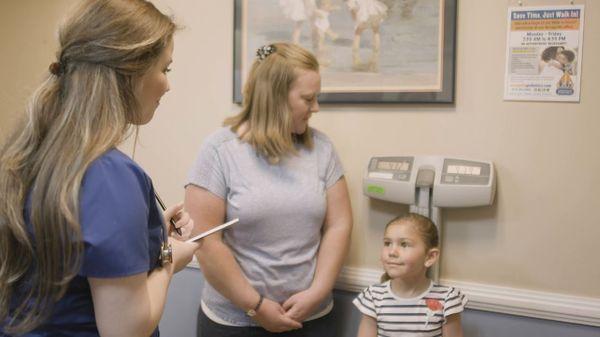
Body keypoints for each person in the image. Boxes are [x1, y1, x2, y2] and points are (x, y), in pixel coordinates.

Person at [0, 0, 200, 336]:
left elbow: (74, 253)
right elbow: (126, 329)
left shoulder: (28, 154)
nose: (167, 85)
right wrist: (168, 259)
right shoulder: (110, 175)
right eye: (165, 70)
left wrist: (146, 237)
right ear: (130, 70)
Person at [185, 42, 353, 336]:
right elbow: (207, 241)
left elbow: (339, 224)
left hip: (312, 319)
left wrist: (318, 291)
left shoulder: (322, 149)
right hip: (236, 323)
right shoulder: (219, 151)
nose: (316, 108)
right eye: (308, 99)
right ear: (275, 98)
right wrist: (256, 306)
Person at [353, 213, 467, 337]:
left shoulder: (448, 299)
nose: (392, 252)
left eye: (404, 244)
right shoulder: (373, 296)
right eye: (387, 243)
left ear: (430, 257)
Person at [346, 0, 388, 72]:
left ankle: (355, 56)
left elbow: (353, 8)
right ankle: (376, 55)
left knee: (358, 32)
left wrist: (354, 17)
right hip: (374, 11)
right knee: (376, 31)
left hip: (363, 13)